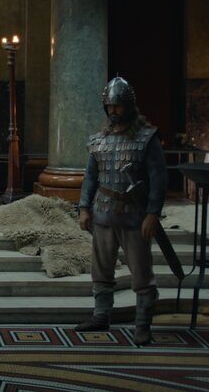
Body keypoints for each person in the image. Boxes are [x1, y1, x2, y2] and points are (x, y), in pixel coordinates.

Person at [76, 77, 167, 346]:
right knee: (101, 269)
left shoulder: (146, 137)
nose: (113, 110)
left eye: (117, 105)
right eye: (109, 106)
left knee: (141, 273)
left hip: (134, 215)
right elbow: (90, 177)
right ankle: (101, 315)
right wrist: (84, 207)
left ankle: (142, 325)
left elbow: (159, 179)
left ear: (129, 106)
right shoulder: (99, 140)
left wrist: (152, 213)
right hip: (103, 213)